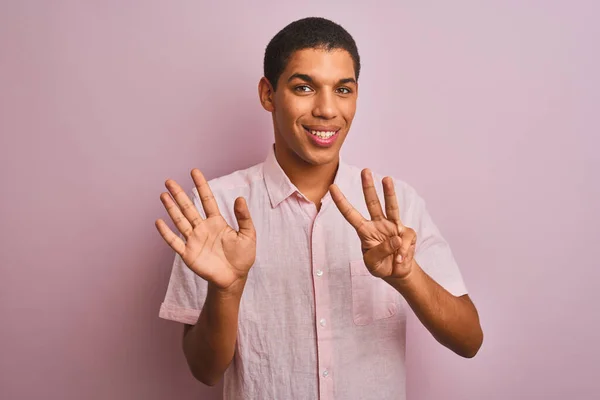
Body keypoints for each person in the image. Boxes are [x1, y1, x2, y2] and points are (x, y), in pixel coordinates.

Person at [156, 16, 483, 400]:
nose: (327, 110)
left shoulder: (397, 207)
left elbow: (469, 341)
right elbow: (204, 371)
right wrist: (226, 291)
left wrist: (407, 276)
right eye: (304, 87)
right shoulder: (217, 211)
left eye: (343, 89)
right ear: (268, 94)